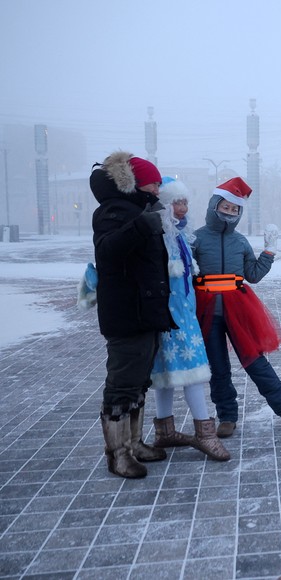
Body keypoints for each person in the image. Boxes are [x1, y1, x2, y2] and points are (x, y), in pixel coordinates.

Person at [191, 177, 281, 438]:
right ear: (214, 206)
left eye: (235, 209)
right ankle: (227, 416)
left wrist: (268, 253)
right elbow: (185, 272)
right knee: (218, 368)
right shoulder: (196, 238)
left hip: (239, 308)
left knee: (255, 362)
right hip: (206, 311)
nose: (229, 212)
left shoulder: (239, 242)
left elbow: (252, 275)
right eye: (225, 207)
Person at [90, 151, 172, 478]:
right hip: (126, 314)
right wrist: (141, 226)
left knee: (139, 383)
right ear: (136, 183)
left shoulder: (139, 208)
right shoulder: (111, 211)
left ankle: (135, 443)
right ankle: (118, 455)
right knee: (122, 385)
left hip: (145, 311)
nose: (157, 189)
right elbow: (108, 250)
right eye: (153, 183)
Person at [149, 177, 229, 461]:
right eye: (176, 203)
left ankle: (165, 431)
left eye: (185, 202)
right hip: (170, 317)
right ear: (165, 205)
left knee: (170, 373)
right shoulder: (157, 235)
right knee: (186, 373)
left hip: (183, 314)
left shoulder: (180, 235)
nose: (182, 208)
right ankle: (204, 434)